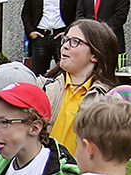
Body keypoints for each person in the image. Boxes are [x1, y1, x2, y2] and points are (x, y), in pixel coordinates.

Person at [44, 19, 118, 159]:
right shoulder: (45, 86)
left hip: (82, 171)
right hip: (45, 170)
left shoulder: (108, 99)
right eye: (65, 40)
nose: (65, 46)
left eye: (75, 42)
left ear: (95, 55)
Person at [19, 0, 80, 75]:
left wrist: (69, 33)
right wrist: (31, 32)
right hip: (40, 37)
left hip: (63, 37)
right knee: (38, 76)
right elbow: (26, 12)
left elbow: (78, 12)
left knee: (66, 74)